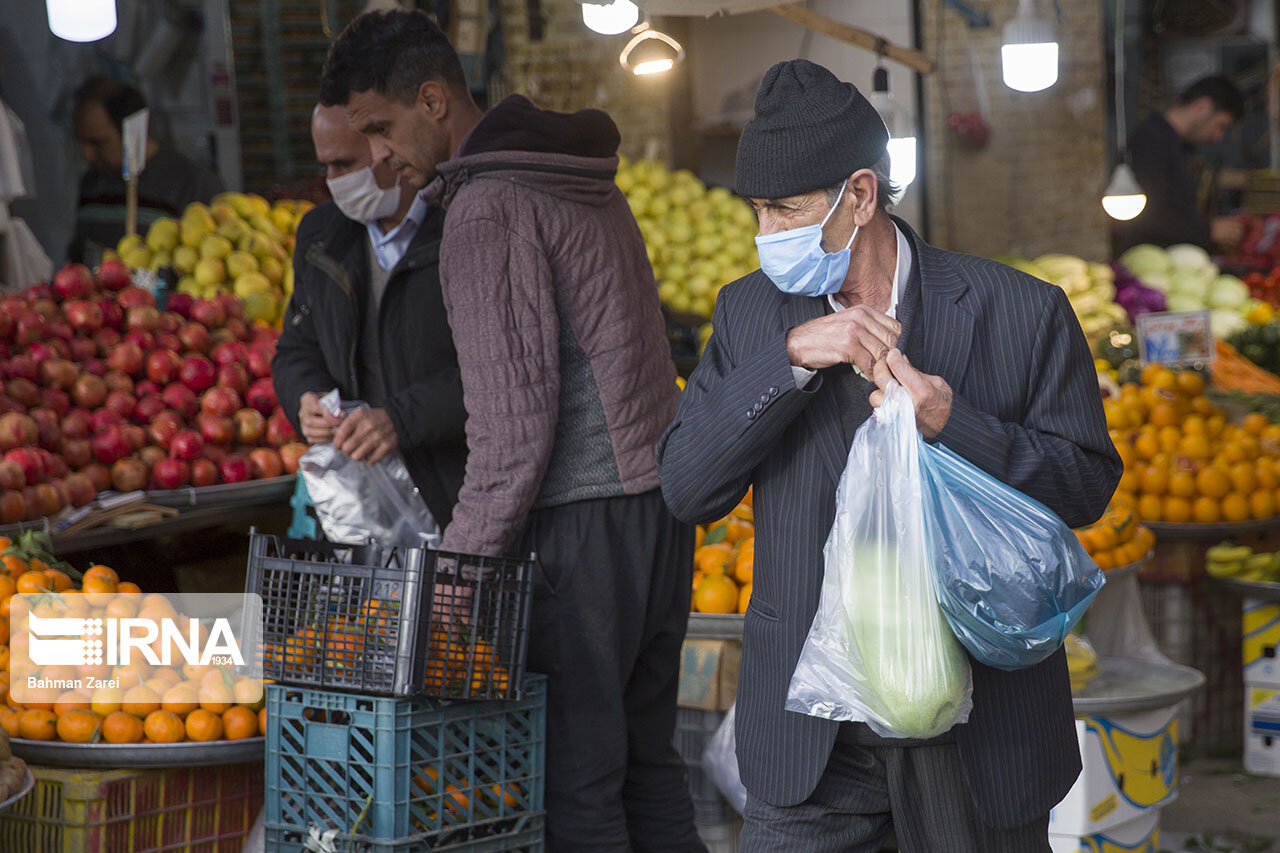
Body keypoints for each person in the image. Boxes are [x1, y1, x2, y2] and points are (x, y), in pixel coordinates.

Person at [658, 60, 1122, 852]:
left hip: (980, 730)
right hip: (813, 735)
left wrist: (954, 421)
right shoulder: (749, 314)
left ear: (861, 195)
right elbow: (687, 485)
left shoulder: (1021, 310)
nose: (766, 235)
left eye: (785, 211)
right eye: (757, 213)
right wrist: (793, 357)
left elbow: (1084, 487)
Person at [319, 10, 703, 852]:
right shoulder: (578, 177)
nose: (378, 158)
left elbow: (512, 432)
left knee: (582, 791)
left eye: (381, 129)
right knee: (649, 768)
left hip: (582, 529)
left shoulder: (487, 211)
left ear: (432, 100)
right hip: (657, 509)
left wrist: (452, 579)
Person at [271, 103, 466, 529]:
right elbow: (295, 349)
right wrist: (305, 397)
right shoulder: (320, 236)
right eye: (325, 166)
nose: (333, 182)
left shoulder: (462, 229)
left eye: (345, 164)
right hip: (366, 503)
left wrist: (402, 419)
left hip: (460, 493)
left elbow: (498, 373)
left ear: (387, 148)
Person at [67, 76, 224, 263]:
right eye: (82, 142)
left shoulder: (192, 183)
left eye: (97, 143)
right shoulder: (91, 184)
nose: (88, 155)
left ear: (132, 131)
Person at [1116, 75, 1245, 253]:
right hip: (1149, 261)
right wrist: (1208, 230)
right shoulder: (1150, 142)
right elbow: (1151, 215)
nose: (1218, 137)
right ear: (1203, 108)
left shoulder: (1176, 146)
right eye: (1220, 125)